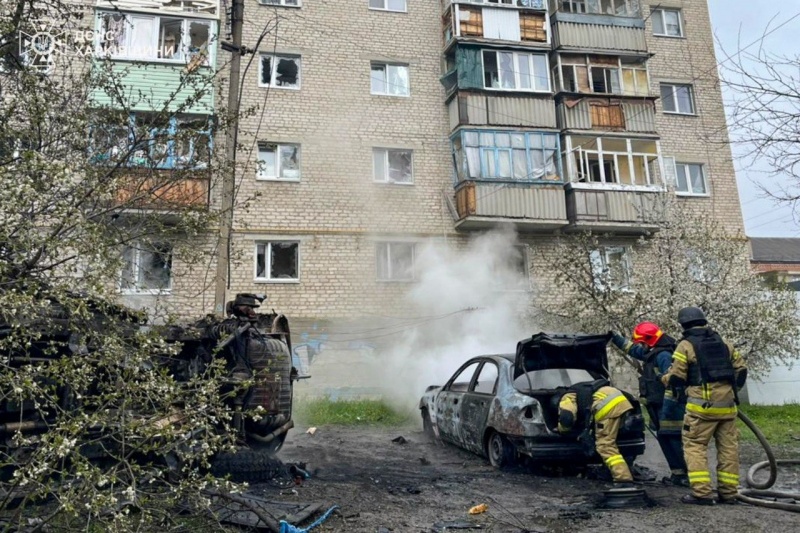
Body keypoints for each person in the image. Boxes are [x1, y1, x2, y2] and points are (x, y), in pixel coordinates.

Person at [660, 307, 748, 505]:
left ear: (683, 325)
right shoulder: (724, 343)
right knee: (728, 450)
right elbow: (741, 371)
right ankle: (729, 493)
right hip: (727, 408)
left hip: (701, 410)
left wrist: (663, 378)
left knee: (695, 447)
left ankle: (702, 493)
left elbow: (676, 378)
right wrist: (729, 392)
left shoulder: (685, 346)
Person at [609, 323, 689, 487]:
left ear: (649, 341)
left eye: (641, 342)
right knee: (665, 439)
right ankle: (677, 474)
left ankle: (684, 476)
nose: (640, 345)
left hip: (668, 408)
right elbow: (634, 350)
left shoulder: (663, 356)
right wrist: (615, 338)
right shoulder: (653, 352)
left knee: (673, 439)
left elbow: (673, 384)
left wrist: (667, 411)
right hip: (659, 405)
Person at [557, 381, 634, 486]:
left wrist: (562, 429)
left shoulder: (567, 397)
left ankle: (623, 479)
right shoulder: (582, 389)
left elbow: (567, 417)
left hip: (607, 407)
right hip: (621, 401)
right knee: (615, 439)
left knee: (605, 445)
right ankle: (611, 472)